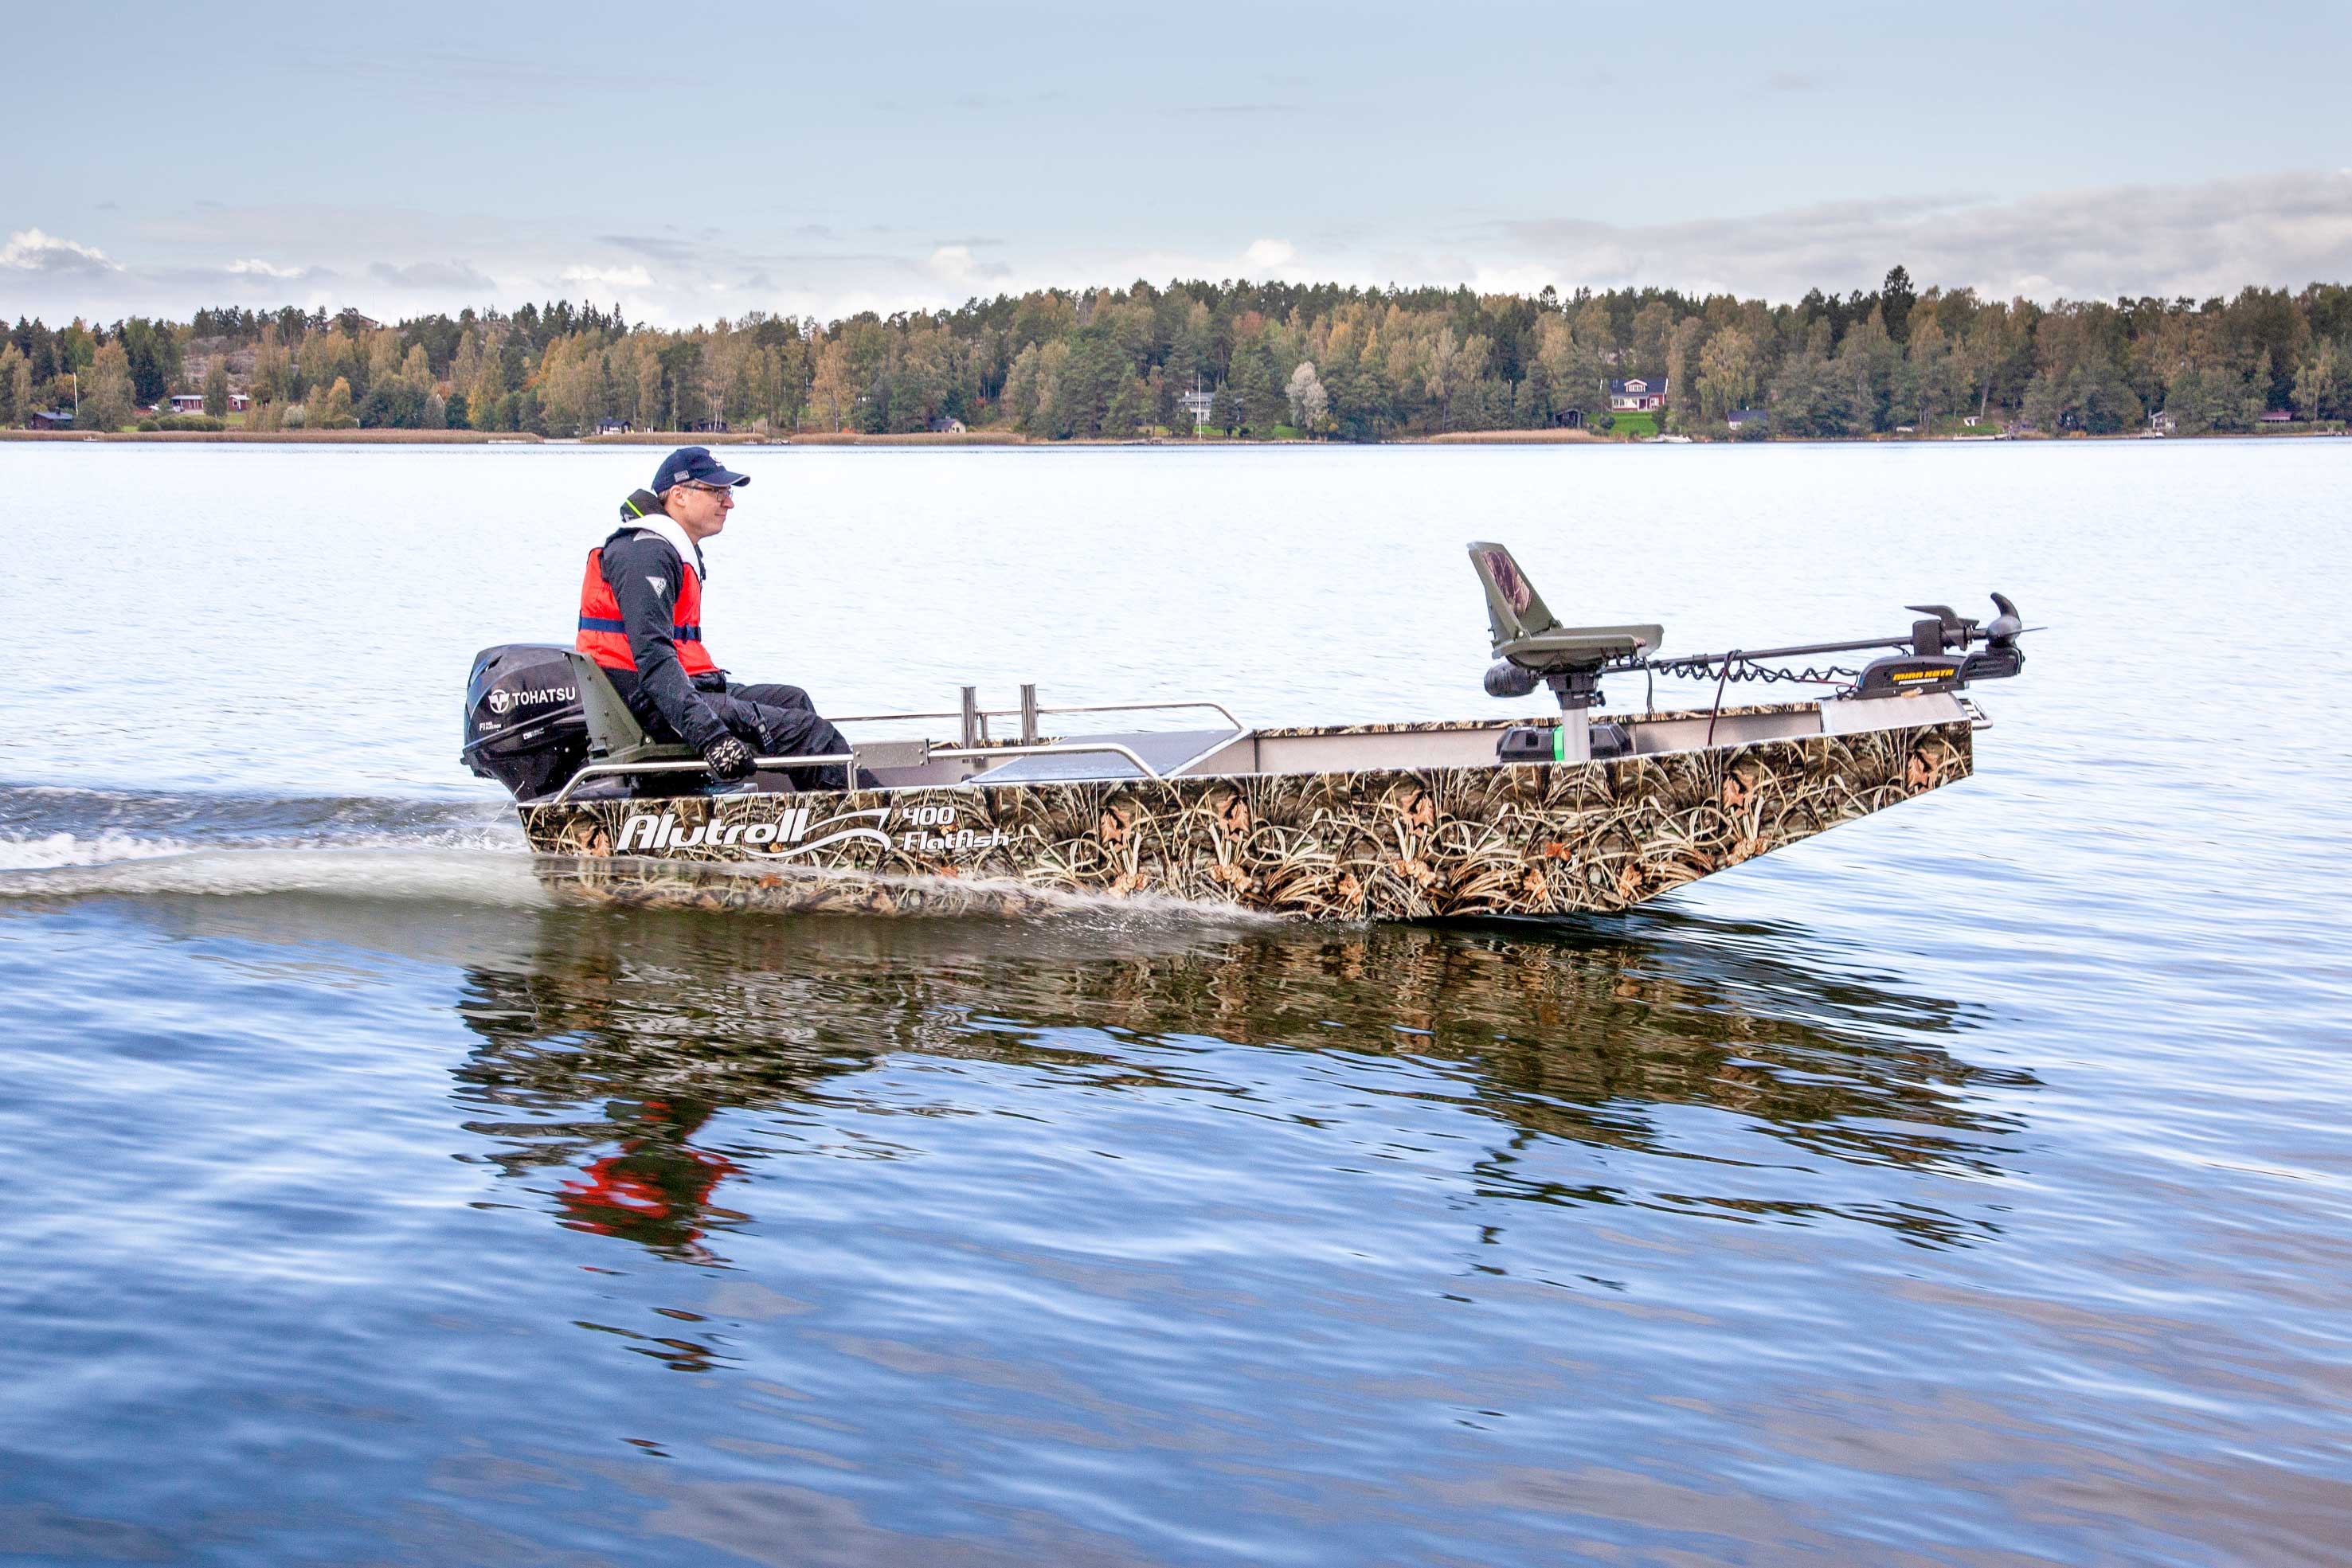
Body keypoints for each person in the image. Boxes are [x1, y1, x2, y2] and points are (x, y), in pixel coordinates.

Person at [576, 446, 862, 789]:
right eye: (717, 492)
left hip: (678, 691)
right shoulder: (644, 554)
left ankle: (812, 804)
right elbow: (654, 661)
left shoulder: (665, 547)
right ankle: (871, 813)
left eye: (728, 493)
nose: (728, 503)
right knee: (813, 735)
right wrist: (712, 737)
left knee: (794, 700)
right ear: (679, 495)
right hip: (647, 704)